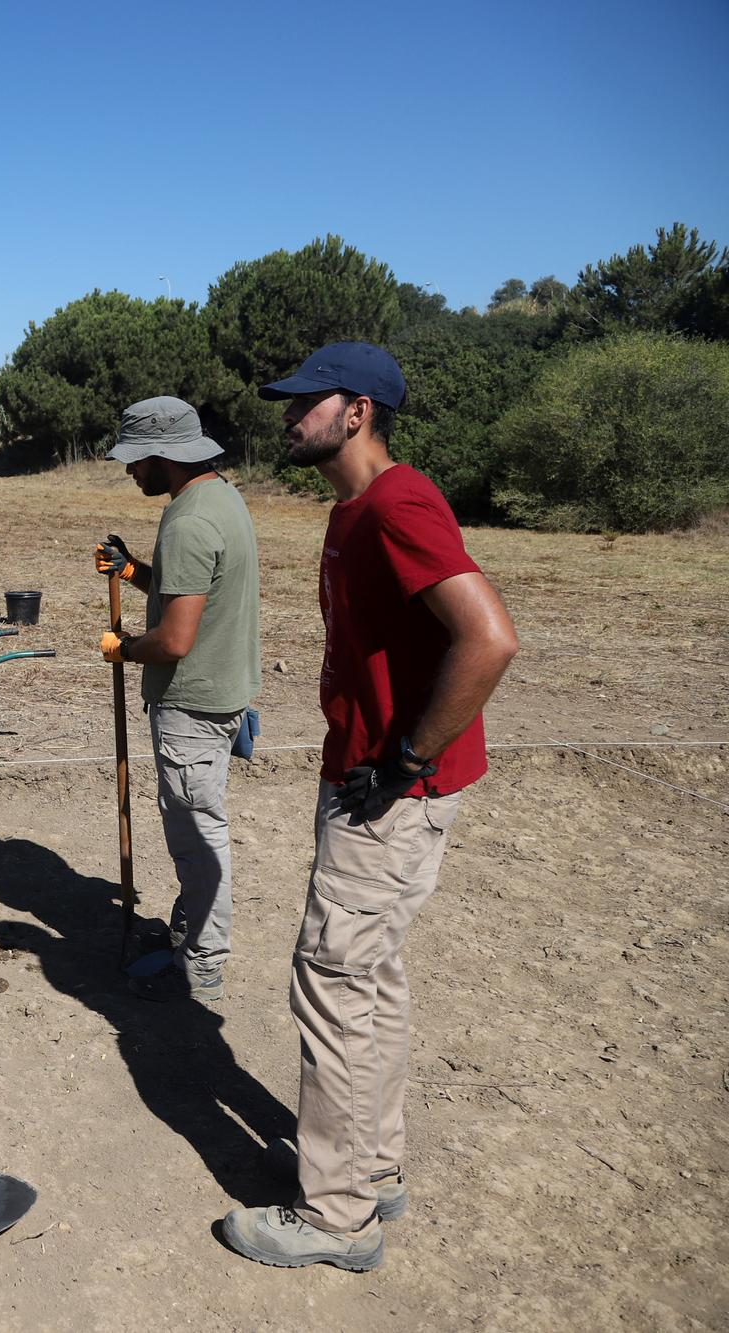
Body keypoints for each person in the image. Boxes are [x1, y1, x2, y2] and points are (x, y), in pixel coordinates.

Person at [218, 343, 517, 1273]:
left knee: (334, 978)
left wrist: (406, 758)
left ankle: (339, 1215)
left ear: (358, 412)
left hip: (390, 793)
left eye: (308, 400)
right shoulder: (356, 509)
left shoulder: (398, 503)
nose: (289, 414)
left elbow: (490, 637)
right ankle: (370, 1164)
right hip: (372, 779)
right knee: (371, 977)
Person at [94, 396, 260, 1004]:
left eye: (137, 460)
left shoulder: (189, 522)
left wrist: (125, 649)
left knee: (196, 834)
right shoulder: (217, 498)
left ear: (165, 455)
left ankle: (202, 963)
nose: (130, 471)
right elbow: (190, 590)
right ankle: (193, 929)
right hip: (221, 693)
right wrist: (133, 568)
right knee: (198, 826)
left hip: (192, 705)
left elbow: (176, 638)